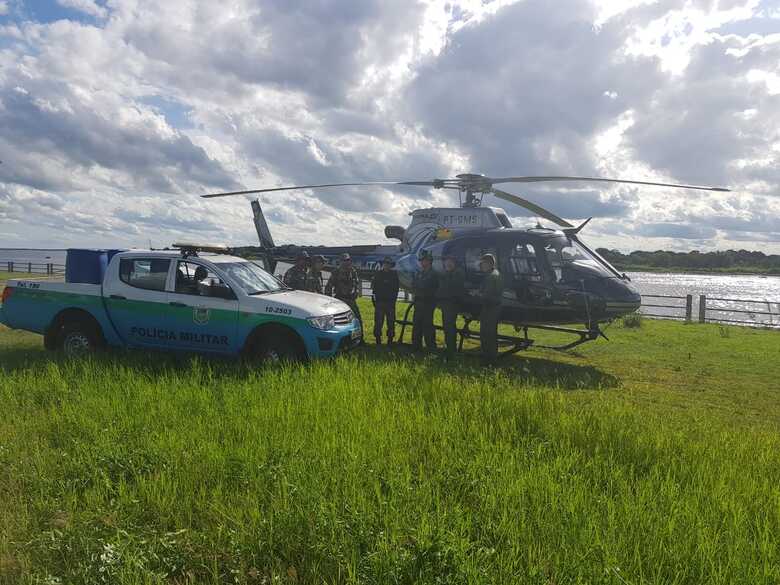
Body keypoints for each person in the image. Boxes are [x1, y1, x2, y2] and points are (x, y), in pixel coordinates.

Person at [437, 253, 465, 359]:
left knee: (449, 327)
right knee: (447, 326)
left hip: (452, 303)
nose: (448, 263)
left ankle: (451, 349)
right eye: (446, 261)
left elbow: (452, 288)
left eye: (450, 261)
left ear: (454, 263)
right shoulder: (447, 273)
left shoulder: (457, 273)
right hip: (446, 304)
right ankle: (450, 348)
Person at [325, 253, 363, 330]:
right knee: (341, 320)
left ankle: (360, 339)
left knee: (358, 319)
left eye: (348, 260)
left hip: (351, 300)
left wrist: (356, 292)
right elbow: (328, 287)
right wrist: (329, 301)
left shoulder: (353, 271)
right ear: (341, 261)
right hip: (340, 299)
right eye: (344, 260)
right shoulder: (336, 272)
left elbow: (356, 283)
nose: (346, 262)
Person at [478, 253, 504, 365]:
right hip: (494, 307)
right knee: (490, 333)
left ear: (489, 264)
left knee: (487, 334)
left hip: (490, 308)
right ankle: (490, 358)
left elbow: (487, 295)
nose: (481, 266)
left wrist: (477, 294)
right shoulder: (495, 274)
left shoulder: (491, 276)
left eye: (483, 263)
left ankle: (489, 359)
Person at [411, 250, 438, 351]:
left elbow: (424, 286)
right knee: (416, 325)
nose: (422, 262)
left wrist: (418, 284)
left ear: (429, 261)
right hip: (418, 303)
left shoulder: (433, 274)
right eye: (421, 261)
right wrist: (418, 285)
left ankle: (430, 347)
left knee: (427, 327)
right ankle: (416, 347)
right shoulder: (420, 273)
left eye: (424, 260)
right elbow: (413, 285)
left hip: (427, 303)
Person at [371, 256, 399, 345]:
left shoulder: (394, 275)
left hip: (390, 302)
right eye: (385, 263)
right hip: (380, 302)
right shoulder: (378, 274)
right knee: (378, 322)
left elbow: (396, 289)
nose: (386, 265)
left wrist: (393, 301)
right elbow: (374, 289)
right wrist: (375, 302)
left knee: (391, 322)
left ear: (391, 265)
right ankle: (378, 340)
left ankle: (390, 340)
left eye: (388, 264)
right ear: (383, 264)